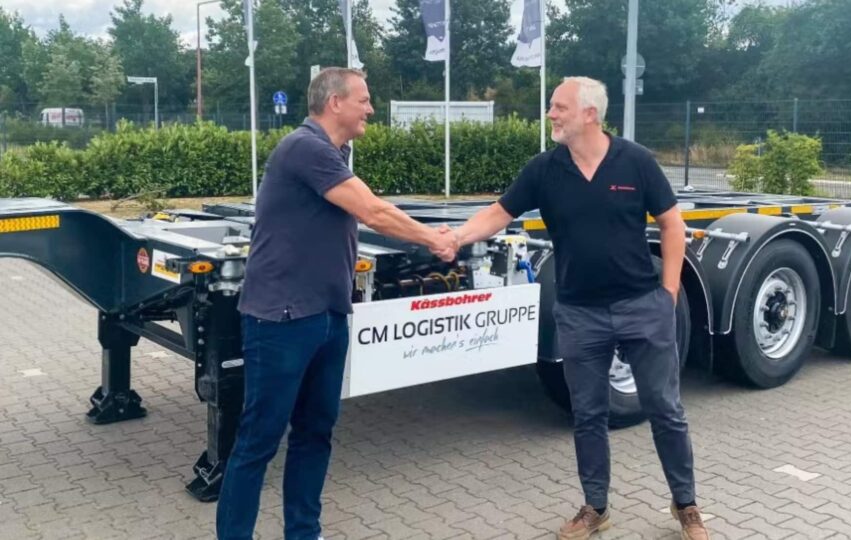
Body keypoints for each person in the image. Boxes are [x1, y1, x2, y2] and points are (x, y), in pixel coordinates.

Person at [449, 77, 710, 540]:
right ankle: (595, 508)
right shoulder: (544, 169)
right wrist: (454, 237)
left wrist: (668, 293)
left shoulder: (635, 161)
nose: (550, 114)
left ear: (590, 114)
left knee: (665, 410)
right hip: (579, 313)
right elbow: (498, 213)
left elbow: (673, 225)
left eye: (559, 107)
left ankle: (686, 504)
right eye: (552, 106)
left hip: (641, 306)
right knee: (588, 415)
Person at [216, 67, 458, 540]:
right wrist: (434, 239)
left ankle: (304, 532)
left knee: (315, 433)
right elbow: (373, 211)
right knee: (258, 442)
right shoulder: (305, 147)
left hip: (327, 315)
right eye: (363, 100)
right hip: (282, 319)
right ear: (335, 103)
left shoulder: (334, 153)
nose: (371, 108)